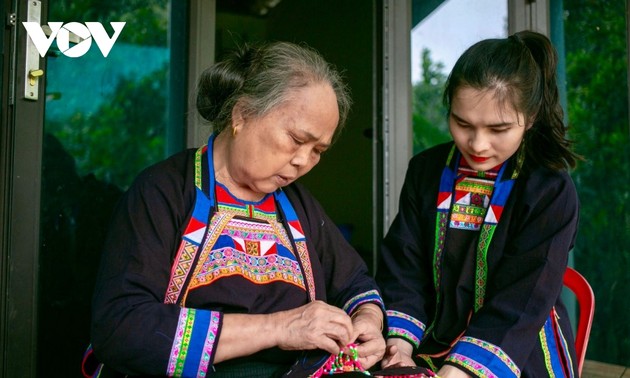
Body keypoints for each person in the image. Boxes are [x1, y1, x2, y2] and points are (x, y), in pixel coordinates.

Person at [87, 41, 385, 377]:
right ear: (242, 115)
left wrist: (367, 322)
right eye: (296, 139)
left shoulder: (298, 205)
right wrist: (281, 328)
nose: (303, 161)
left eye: (318, 150)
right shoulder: (164, 191)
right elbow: (122, 327)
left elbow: (355, 281)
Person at [376, 30, 581, 378]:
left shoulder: (549, 189)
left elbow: (524, 299)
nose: (478, 144)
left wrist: (459, 371)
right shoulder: (426, 171)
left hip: (518, 349)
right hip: (429, 340)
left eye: (498, 129)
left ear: (529, 119)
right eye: (462, 123)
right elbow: (404, 268)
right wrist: (400, 346)